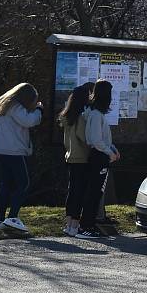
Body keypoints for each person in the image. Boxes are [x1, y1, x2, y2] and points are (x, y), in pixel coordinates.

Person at [0, 82, 44, 233]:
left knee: (6, 184)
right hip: (12, 151)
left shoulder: (4, 104)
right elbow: (30, 121)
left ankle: (0, 219)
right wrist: (39, 109)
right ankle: (12, 217)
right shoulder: (15, 107)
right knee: (23, 184)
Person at [79, 79, 120, 239]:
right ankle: (85, 225)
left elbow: (103, 139)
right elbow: (96, 140)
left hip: (101, 155)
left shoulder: (97, 114)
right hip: (99, 157)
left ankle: (89, 223)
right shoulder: (95, 115)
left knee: (96, 192)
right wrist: (109, 153)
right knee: (94, 192)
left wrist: (113, 149)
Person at [58, 82, 94, 237]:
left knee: (72, 191)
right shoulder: (81, 118)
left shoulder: (66, 116)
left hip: (70, 156)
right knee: (80, 192)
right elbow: (84, 138)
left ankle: (68, 225)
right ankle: (75, 224)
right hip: (82, 158)